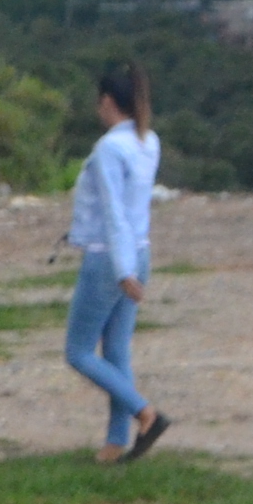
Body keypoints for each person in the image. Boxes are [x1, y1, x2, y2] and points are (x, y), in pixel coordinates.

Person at [65, 60, 172, 462]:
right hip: (139, 250)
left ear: (108, 101)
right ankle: (115, 442)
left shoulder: (110, 147)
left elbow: (114, 213)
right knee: (116, 351)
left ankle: (146, 413)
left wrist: (122, 270)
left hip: (110, 258)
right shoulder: (149, 140)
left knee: (77, 352)